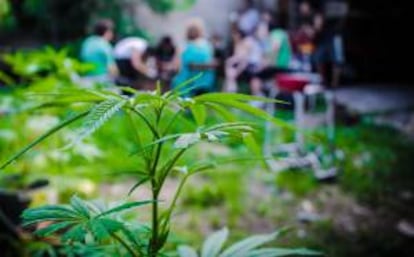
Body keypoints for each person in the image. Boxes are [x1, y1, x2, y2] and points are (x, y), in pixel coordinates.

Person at [172, 19, 216, 96]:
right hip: (205, 83)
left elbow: (176, 67)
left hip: (187, 84)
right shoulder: (207, 46)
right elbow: (210, 64)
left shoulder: (184, 47)